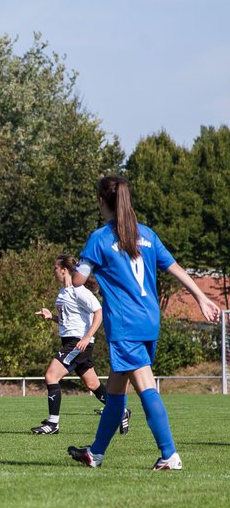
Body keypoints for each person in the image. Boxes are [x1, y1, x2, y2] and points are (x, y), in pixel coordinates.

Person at [68, 176, 221, 470]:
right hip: (149, 320)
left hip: (125, 324)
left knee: (145, 386)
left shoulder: (99, 238)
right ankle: (95, 453)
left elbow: (78, 279)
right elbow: (175, 268)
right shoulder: (147, 235)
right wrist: (201, 297)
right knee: (116, 389)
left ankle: (169, 455)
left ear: (102, 201)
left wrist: (83, 264)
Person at [31, 254, 125, 436]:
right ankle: (121, 411)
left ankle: (52, 424)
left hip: (78, 343)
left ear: (64, 270)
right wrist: (52, 317)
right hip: (72, 341)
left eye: (55, 269)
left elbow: (99, 312)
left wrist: (87, 336)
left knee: (51, 375)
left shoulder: (79, 290)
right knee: (92, 384)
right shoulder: (63, 292)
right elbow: (69, 321)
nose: (54, 272)